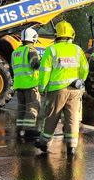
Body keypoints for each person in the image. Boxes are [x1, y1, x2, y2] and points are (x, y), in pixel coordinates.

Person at [36, 21, 88, 155]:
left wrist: (42, 88)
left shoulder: (51, 49)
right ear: (71, 34)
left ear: (56, 34)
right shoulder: (77, 49)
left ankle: (44, 143)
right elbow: (85, 68)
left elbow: (45, 71)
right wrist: (80, 81)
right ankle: (72, 146)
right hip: (75, 89)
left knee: (52, 116)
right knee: (72, 117)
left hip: (57, 90)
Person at [11, 28, 41, 141]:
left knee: (22, 108)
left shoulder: (16, 52)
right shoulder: (31, 50)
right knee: (32, 108)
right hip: (30, 84)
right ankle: (30, 131)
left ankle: (19, 130)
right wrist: (42, 61)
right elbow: (35, 65)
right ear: (33, 38)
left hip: (19, 85)